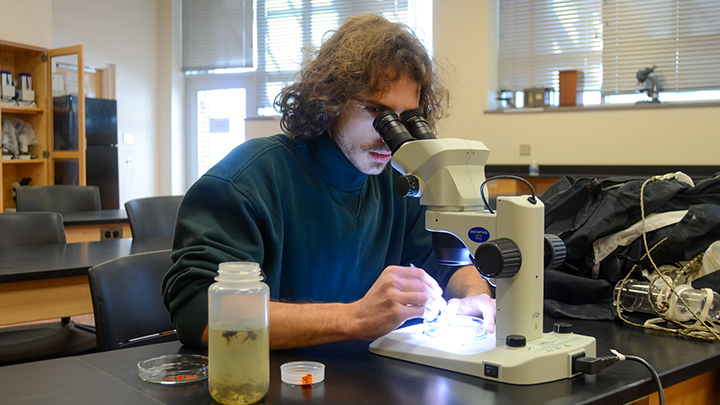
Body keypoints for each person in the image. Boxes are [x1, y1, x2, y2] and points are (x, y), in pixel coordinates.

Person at [162, 13, 495, 349]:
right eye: (377, 112)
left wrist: (474, 295)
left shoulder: (401, 181)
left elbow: (443, 263)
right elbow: (201, 313)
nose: (390, 137)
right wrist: (353, 318)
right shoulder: (246, 181)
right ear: (331, 101)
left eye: (407, 117)